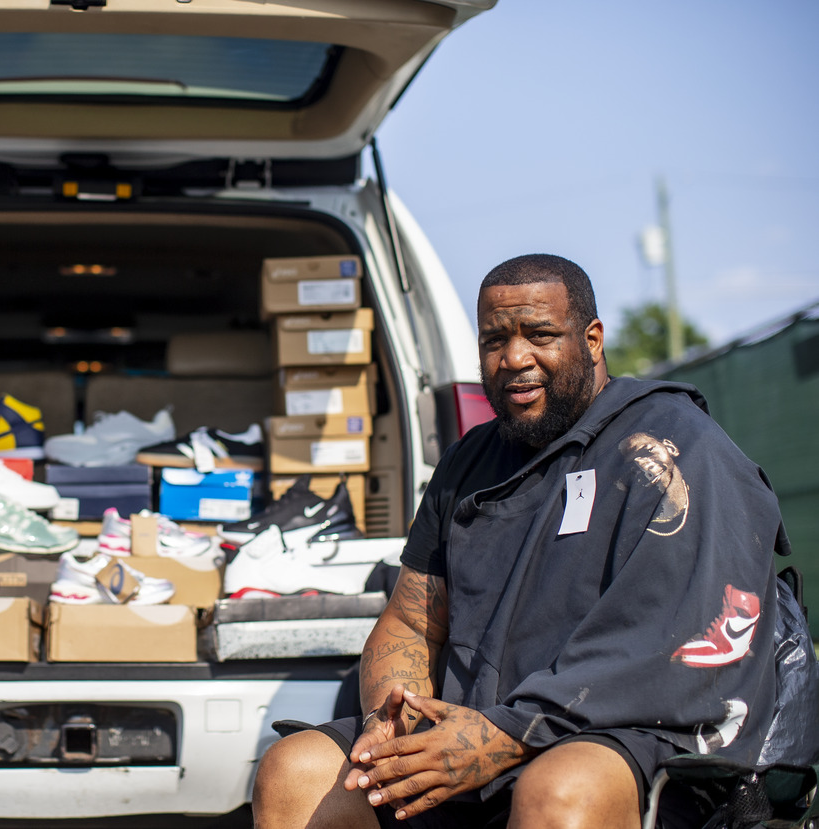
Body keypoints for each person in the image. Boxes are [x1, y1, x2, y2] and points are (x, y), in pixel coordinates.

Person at [252, 254, 784, 829]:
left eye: (540, 335)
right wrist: (392, 716)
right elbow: (411, 621)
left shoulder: (675, 450)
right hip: (471, 736)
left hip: (628, 738)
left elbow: (691, 648)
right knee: (295, 769)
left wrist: (508, 735)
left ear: (593, 338)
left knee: (558, 789)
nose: (514, 359)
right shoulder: (468, 461)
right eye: (494, 340)